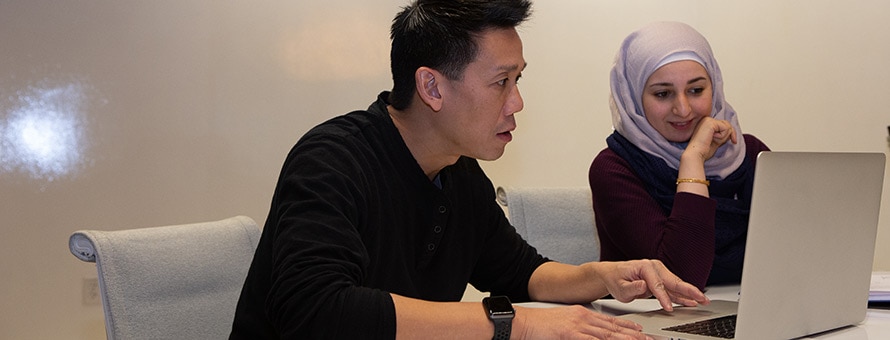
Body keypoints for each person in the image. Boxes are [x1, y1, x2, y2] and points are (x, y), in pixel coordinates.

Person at [230, 3, 709, 339]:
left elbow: (522, 273)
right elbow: (318, 312)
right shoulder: (332, 160)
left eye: (518, 79)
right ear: (432, 88)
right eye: (502, 82)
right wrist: (514, 325)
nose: (518, 102)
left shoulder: (458, 174)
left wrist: (601, 276)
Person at [589, 21, 771, 291]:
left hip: (748, 313)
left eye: (696, 90)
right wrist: (693, 161)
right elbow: (681, 277)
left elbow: (795, 251)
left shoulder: (751, 154)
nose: (683, 109)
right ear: (633, 99)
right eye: (663, 94)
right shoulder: (614, 169)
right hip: (651, 321)